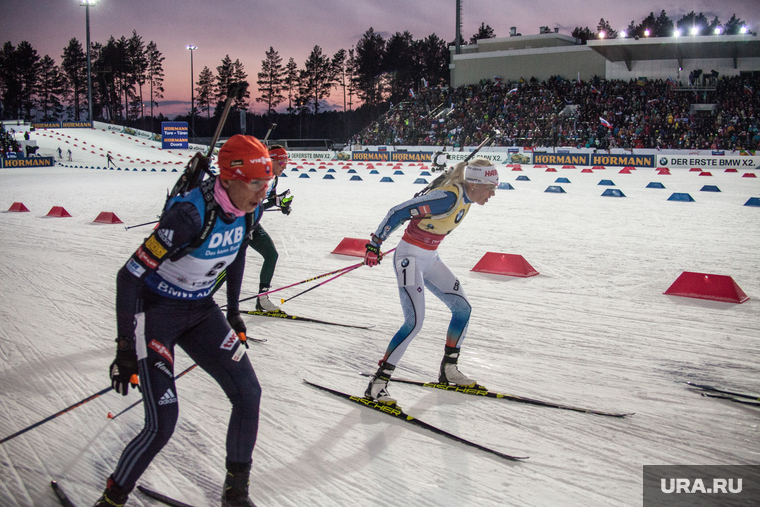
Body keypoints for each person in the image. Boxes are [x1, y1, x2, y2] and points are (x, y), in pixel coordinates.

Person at [95, 135, 273, 507]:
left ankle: (235, 492)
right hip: (157, 313)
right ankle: (113, 498)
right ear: (228, 178)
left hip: (200, 310)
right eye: (255, 183)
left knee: (248, 393)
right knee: (163, 422)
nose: (262, 193)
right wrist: (125, 348)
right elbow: (128, 276)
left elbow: (237, 253)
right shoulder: (189, 216)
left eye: (266, 183)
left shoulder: (248, 210)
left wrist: (235, 312)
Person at [363, 158, 499, 405]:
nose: (492, 194)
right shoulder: (447, 198)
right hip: (409, 259)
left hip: (430, 258)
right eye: (491, 188)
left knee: (462, 310)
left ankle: (449, 369)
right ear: (476, 184)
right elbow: (398, 211)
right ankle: (378, 384)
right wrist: (375, 244)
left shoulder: (465, 197)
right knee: (414, 323)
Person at [211, 144, 293, 313]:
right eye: (282, 162)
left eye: (286, 162)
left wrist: (281, 205)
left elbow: (266, 201)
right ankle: (202, 299)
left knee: (271, 255)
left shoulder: (274, 179)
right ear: (271, 160)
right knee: (230, 264)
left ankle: (262, 299)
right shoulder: (255, 175)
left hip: (251, 223)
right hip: (236, 223)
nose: (285, 166)